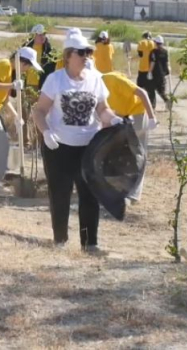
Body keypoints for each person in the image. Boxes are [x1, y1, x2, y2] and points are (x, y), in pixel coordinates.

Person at [33, 35, 123, 252]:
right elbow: (39, 110)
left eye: (88, 52)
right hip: (59, 147)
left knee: (90, 196)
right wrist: (45, 132)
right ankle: (60, 240)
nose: (86, 57)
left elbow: (102, 108)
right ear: (68, 55)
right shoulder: (55, 80)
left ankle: (90, 243)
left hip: (89, 147)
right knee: (60, 194)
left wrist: (113, 118)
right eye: (81, 52)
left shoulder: (95, 79)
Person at [0, 47, 41, 195]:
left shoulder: (9, 72)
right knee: (2, 144)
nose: (27, 70)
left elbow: (4, 99)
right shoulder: (4, 65)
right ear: (24, 62)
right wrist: (12, 86)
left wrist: (17, 116)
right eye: (29, 66)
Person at [101, 71, 158, 203]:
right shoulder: (90, 88)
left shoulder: (112, 79)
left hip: (136, 112)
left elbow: (142, 93)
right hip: (118, 116)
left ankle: (134, 194)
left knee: (137, 152)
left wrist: (151, 118)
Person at [23, 24, 56, 90]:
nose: (43, 37)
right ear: (33, 35)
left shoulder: (49, 50)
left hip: (43, 87)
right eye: (40, 35)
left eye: (44, 34)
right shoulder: (25, 48)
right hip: (27, 86)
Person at [148, 35, 171, 110]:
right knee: (161, 91)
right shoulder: (165, 52)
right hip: (162, 74)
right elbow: (167, 62)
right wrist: (168, 70)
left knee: (152, 91)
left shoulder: (153, 52)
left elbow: (152, 62)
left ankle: (152, 107)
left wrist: (149, 72)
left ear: (155, 43)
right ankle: (167, 101)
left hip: (155, 74)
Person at [136, 31, 156, 96]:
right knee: (150, 88)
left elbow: (140, 55)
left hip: (142, 68)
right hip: (150, 69)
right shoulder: (153, 43)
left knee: (139, 87)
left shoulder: (141, 43)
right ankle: (152, 103)